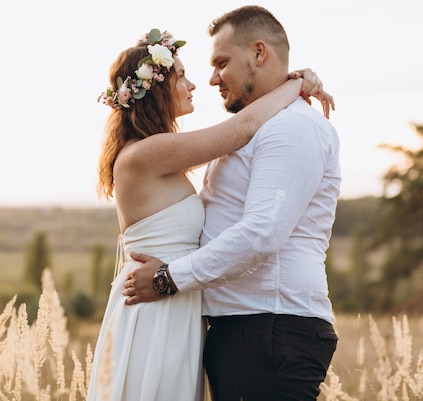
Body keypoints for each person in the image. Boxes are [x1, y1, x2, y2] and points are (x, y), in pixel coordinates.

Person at [87, 26, 332, 401]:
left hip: (176, 300)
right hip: (155, 303)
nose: (196, 84)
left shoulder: (160, 154)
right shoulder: (145, 153)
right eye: (181, 76)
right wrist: (294, 85)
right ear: (155, 89)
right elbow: (243, 128)